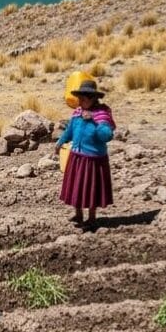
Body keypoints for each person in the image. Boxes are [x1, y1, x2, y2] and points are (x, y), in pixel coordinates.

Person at [55, 80, 115, 229]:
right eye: (79, 99)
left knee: (91, 188)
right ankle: (78, 214)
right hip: (76, 157)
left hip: (93, 160)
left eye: (83, 99)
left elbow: (106, 136)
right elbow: (70, 130)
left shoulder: (101, 115)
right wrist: (60, 141)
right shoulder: (77, 113)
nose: (80, 102)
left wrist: (94, 121)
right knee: (76, 187)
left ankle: (92, 218)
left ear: (92, 99)